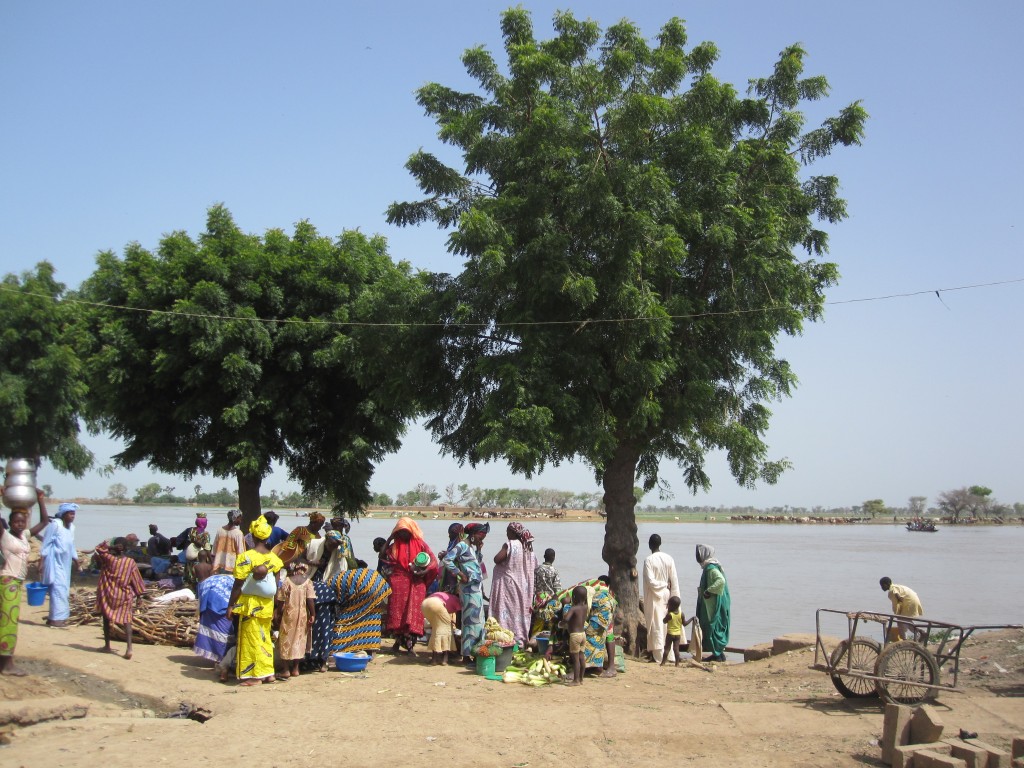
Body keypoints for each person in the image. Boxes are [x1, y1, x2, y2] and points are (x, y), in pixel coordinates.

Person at [229, 516, 284, 686]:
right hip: (267, 605)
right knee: (264, 638)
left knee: (251, 638)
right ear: (268, 538)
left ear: (252, 537)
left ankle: (254, 676)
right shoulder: (275, 559)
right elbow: (275, 587)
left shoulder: (246, 557)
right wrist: (275, 608)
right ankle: (268, 673)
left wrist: (231, 605)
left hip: (249, 604)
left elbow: (238, 584)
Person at [1, 489, 49, 675]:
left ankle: (4, 662)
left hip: (16, 583)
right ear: (10, 522)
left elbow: (45, 522)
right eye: (16, 521)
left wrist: (40, 500)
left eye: (23, 521)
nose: (20, 524)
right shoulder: (5, 535)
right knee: (9, 622)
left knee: (7, 621)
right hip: (7, 581)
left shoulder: (24, 535)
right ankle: (7, 665)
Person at [382, 518, 438, 655]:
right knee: (398, 614)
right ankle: (396, 642)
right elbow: (382, 555)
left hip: (416, 583)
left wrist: (424, 571)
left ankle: (410, 646)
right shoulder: (394, 546)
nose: (403, 535)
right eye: (400, 532)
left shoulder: (420, 544)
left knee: (413, 614)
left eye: (405, 532)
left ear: (412, 531)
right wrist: (389, 538)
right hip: (398, 583)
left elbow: (433, 561)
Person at [442, 522, 489, 663]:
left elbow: (476, 565)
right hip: (468, 589)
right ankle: (467, 655)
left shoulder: (471, 548)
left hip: (476, 588)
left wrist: (479, 550)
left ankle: (476, 651)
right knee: (469, 622)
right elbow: (447, 560)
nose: (482, 540)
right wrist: (460, 574)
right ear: (473, 535)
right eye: (481, 537)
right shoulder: (462, 545)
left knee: (479, 622)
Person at [94, 538, 146, 659]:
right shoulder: (130, 562)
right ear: (126, 548)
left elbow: (98, 548)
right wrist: (139, 597)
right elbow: (136, 580)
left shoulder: (109, 559)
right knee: (127, 619)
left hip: (108, 593)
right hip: (124, 595)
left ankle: (107, 646)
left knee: (106, 618)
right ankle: (129, 648)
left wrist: (110, 548)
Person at [328, 566, 392, 656]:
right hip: (378, 582)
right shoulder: (333, 581)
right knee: (372, 615)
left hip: (367, 585)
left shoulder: (329, 588)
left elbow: (338, 605)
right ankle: (370, 649)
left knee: (347, 619)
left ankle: (338, 648)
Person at [490, 522, 536, 646]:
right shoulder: (528, 547)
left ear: (513, 532)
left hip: (508, 585)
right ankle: (519, 640)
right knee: (518, 612)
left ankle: (504, 639)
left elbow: (497, 559)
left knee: (505, 610)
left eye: (508, 531)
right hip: (523, 587)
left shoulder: (510, 544)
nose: (506, 533)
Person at [40, 502, 81, 628]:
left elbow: (71, 546)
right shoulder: (55, 525)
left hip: (65, 564)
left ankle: (55, 617)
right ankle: (57, 619)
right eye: (70, 514)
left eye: (73, 514)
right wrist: (41, 563)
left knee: (63, 589)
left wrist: (77, 562)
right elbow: (46, 545)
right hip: (54, 562)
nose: (72, 516)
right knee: (58, 590)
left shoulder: (71, 528)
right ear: (63, 514)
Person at [193, 566, 236, 679]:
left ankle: (218, 661)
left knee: (214, 635)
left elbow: (200, 596)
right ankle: (224, 665)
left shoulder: (209, 580)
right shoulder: (234, 580)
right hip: (224, 609)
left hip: (208, 609)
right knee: (226, 637)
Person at [643, 533, 680, 662]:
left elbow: (651, 581)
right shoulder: (669, 558)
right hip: (668, 593)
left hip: (655, 595)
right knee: (665, 623)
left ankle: (659, 655)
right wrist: (675, 596)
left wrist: (663, 585)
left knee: (656, 623)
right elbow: (674, 580)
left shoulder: (649, 560)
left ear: (649, 545)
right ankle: (669, 655)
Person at [275, 562, 315, 679]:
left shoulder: (287, 581)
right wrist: (313, 614)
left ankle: (286, 669)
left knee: (285, 639)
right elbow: (310, 600)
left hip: (289, 613)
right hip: (302, 614)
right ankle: (296, 668)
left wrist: (278, 613)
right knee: (299, 639)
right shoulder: (308, 582)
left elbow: (281, 599)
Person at [695, 544, 731, 662]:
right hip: (716, 601)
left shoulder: (710, 568)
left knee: (712, 626)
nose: (697, 556)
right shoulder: (711, 566)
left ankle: (717, 654)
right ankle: (718, 653)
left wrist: (708, 591)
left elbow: (720, 581)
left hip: (713, 603)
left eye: (698, 553)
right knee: (715, 626)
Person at [421, 589, 461, 666]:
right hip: (437, 605)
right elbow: (458, 618)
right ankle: (444, 659)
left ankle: (434, 659)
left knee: (436, 631)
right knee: (447, 630)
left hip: (425, 605)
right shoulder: (456, 599)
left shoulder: (442, 594)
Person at [880, 577, 924, 641]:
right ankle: (921, 632)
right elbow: (898, 600)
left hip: (909, 602)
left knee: (900, 621)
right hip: (913, 600)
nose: (882, 587)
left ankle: (904, 639)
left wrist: (897, 614)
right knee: (906, 620)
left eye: (883, 585)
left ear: (888, 584)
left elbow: (897, 599)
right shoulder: (896, 586)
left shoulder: (892, 589)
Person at [176, 513, 212, 591]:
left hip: (190, 559)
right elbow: (207, 548)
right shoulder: (206, 534)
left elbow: (190, 541)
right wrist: (211, 560)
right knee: (198, 576)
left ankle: (189, 589)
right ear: (204, 523)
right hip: (198, 559)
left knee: (189, 576)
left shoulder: (191, 531)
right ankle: (197, 592)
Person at [562, 585, 589, 686]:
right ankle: (581, 679)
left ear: (574, 597)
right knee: (581, 657)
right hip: (583, 634)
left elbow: (567, 619)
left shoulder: (574, 608)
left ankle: (576, 680)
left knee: (575, 658)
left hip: (575, 635)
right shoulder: (585, 607)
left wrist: (562, 620)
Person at [211, 509, 245, 574]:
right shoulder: (238, 533)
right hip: (232, 565)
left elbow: (214, 549)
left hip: (219, 564)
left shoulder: (220, 531)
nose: (240, 521)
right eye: (240, 519)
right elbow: (241, 552)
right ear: (235, 518)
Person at [661, 595, 684, 667]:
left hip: (670, 633)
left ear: (671, 605)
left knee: (667, 648)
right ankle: (677, 663)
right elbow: (685, 624)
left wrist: (667, 613)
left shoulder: (670, 615)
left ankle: (663, 663)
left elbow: (664, 621)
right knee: (676, 649)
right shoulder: (681, 614)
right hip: (678, 634)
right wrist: (692, 619)